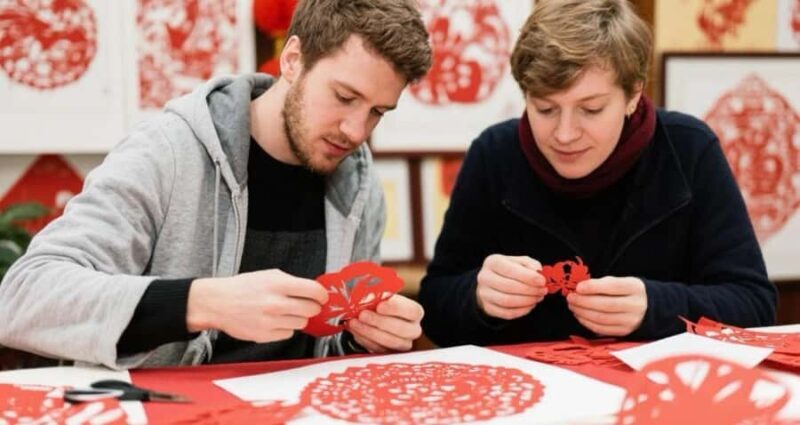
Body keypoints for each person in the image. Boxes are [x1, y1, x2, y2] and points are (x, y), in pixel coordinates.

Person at [0, 0, 432, 369]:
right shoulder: (166, 151)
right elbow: (22, 297)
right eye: (343, 97)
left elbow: (328, 351)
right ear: (293, 59)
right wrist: (203, 303)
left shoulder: (359, 185)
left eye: (378, 111)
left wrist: (364, 338)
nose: (356, 131)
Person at [418, 0, 776, 347]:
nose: (565, 134)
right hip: (532, 396)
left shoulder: (689, 150)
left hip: (658, 396)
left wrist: (656, 307)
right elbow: (435, 307)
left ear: (634, 95)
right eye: (545, 109)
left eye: (591, 109)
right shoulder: (493, 154)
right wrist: (478, 299)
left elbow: (755, 305)